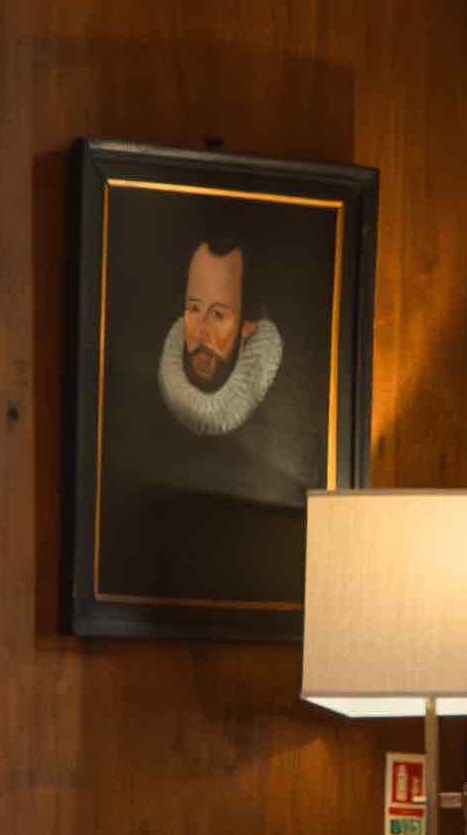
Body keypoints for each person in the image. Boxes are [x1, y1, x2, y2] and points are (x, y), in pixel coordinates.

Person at [94, 221, 321, 615]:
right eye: (193, 309)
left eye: (218, 315)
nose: (199, 331)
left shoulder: (294, 435)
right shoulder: (129, 409)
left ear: (248, 326)